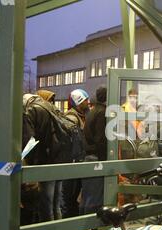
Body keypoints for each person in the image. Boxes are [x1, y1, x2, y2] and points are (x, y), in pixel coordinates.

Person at [23, 92, 62, 222]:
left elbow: (29, 141)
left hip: (45, 160)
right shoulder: (52, 107)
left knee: (46, 204)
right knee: (56, 204)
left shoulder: (31, 110)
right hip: (59, 158)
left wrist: (30, 162)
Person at [61, 89, 90, 217]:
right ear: (79, 102)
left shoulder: (81, 116)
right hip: (72, 162)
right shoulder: (72, 118)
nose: (88, 102)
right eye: (85, 100)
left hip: (78, 160)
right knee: (69, 197)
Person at [81, 86, 107, 214]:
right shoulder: (102, 112)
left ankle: (82, 228)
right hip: (97, 159)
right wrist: (105, 161)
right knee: (94, 198)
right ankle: (90, 228)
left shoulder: (92, 111)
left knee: (86, 196)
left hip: (88, 157)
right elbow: (100, 139)